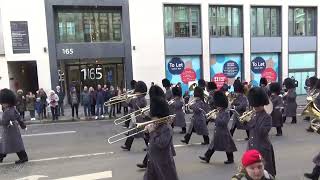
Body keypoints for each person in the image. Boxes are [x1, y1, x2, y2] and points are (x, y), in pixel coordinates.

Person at [143, 92, 178, 180]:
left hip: (162, 163)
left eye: (155, 117)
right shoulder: (156, 126)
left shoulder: (167, 128)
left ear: (160, 115)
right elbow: (150, 141)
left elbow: (161, 144)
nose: (153, 119)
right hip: (153, 161)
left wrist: (152, 132)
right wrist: (147, 133)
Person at [199, 90, 237, 164]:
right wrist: (212, 119)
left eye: (218, 106)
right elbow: (217, 121)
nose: (217, 107)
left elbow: (224, 123)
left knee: (227, 146)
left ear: (222, 105)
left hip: (224, 132)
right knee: (213, 144)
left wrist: (215, 118)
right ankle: (207, 157)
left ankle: (230, 159)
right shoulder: (219, 111)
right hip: (218, 131)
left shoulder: (226, 113)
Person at [246, 87, 276, 176]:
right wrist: (245, 121)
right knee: (252, 172)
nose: (256, 107)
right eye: (254, 105)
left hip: (262, 148)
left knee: (265, 172)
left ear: (263, 104)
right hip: (251, 146)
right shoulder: (253, 114)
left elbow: (262, 132)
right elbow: (249, 128)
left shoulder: (267, 117)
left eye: (258, 105)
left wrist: (251, 122)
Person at [0, 89, 28, 164]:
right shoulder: (13, 109)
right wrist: (23, 125)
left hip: (8, 130)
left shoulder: (7, 111)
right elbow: (19, 117)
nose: (2, 104)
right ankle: (23, 157)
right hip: (13, 129)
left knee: (5, 144)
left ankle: (23, 157)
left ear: (7, 102)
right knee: (15, 143)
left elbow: (3, 122)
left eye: (3, 103)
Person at [121, 81, 149, 151]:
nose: (136, 93)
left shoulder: (143, 100)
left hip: (142, 119)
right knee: (131, 131)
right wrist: (127, 101)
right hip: (136, 118)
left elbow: (138, 105)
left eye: (137, 92)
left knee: (144, 134)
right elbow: (132, 105)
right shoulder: (137, 98)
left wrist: (132, 99)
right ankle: (127, 146)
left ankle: (149, 145)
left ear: (140, 91)